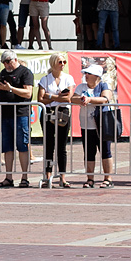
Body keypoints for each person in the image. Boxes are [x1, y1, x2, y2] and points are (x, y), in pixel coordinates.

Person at [0, 50, 34, 188]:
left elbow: (28, 93)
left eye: (8, 61)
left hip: (21, 113)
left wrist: (11, 89)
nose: (6, 65)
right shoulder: (3, 73)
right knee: (7, 146)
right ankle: (8, 177)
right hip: (5, 114)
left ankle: (24, 176)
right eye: (4, 62)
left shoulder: (25, 72)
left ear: (15, 59)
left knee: (23, 144)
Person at [71, 64, 115, 188]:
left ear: (96, 76)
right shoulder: (81, 87)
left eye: (89, 74)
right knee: (89, 152)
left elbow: (105, 98)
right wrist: (81, 99)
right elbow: (73, 99)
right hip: (86, 125)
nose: (86, 76)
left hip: (102, 124)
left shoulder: (103, 85)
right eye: (86, 73)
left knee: (105, 151)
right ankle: (90, 179)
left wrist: (90, 100)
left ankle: (108, 178)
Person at [37, 52, 75, 188]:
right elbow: (40, 99)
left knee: (62, 145)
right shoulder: (45, 79)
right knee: (49, 144)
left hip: (63, 112)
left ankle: (63, 177)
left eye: (64, 62)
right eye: (60, 62)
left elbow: (68, 98)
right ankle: (48, 176)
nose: (63, 65)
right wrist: (57, 97)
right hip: (48, 112)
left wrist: (51, 96)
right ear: (53, 63)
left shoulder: (68, 78)